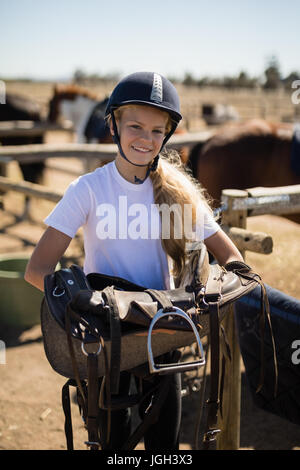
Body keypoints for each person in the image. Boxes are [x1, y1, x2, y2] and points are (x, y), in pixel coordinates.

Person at [25, 71, 244, 449]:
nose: (146, 138)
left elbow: (233, 259)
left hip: (162, 337)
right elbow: (37, 270)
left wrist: (209, 292)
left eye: (157, 131)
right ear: (113, 125)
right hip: (108, 343)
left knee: (166, 448)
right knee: (114, 446)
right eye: (136, 126)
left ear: (167, 136)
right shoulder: (89, 190)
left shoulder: (180, 193)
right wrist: (80, 306)